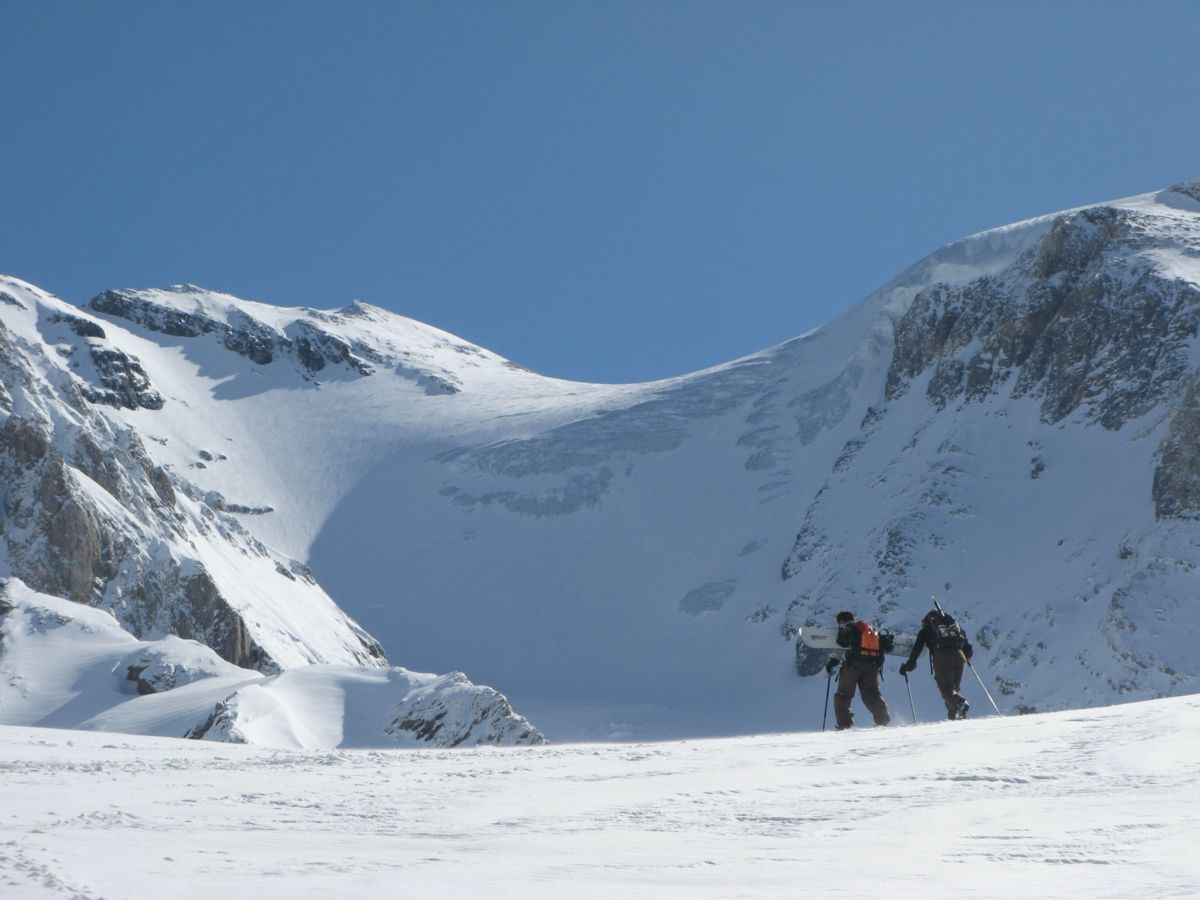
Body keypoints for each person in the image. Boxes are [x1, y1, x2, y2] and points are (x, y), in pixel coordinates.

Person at [899, 608, 973, 720]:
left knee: (947, 690)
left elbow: (917, 650)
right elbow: (968, 649)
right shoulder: (953, 628)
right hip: (959, 656)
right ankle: (955, 716)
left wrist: (908, 666)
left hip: (942, 657)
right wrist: (966, 656)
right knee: (954, 689)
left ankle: (960, 703)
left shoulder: (926, 631)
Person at [825, 610, 891, 730]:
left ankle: (844, 725)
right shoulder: (868, 629)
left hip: (853, 665)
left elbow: (841, 645)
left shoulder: (846, 628)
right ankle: (883, 721)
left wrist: (832, 662)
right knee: (872, 694)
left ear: (841, 620)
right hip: (872, 666)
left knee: (843, 695)